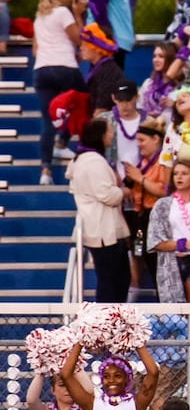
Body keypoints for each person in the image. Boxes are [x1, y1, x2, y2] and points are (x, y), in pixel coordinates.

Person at [68, 119, 131, 302]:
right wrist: (124, 192)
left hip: (103, 229)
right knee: (111, 282)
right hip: (104, 232)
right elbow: (107, 195)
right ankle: (106, 323)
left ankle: (113, 322)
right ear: (101, 136)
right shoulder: (93, 161)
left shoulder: (85, 158)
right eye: (110, 132)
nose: (112, 136)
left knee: (117, 279)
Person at [32, 0, 86, 184]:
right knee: (84, 100)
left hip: (42, 70)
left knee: (48, 119)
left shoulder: (40, 16)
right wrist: (78, 14)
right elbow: (78, 39)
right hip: (64, 67)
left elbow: (36, 50)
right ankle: (62, 143)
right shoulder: (64, 12)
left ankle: (45, 170)